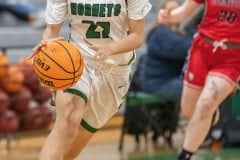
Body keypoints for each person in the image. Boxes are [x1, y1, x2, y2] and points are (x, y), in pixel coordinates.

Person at [31, 0, 151, 160]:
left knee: (71, 149)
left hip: (114, 71)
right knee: (68, 117)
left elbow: (137, 36)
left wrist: (111, 48)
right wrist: (46, 47)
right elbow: (51, 30)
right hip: (77, 65)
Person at [159, 0, 240, 159]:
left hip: (232, 57)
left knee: (205, 104)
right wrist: (169, 16)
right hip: (202, 50)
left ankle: (185, 155)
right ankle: (211, 113)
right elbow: (183, 12)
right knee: (189, 110)